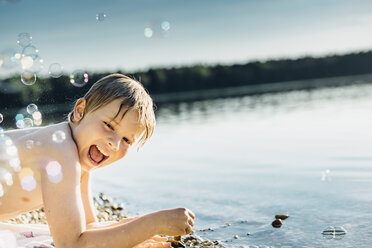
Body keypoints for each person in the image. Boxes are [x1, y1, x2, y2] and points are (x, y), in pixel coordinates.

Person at [0, 74, 195, 247]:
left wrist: (134, 234)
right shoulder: (60, 151)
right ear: (80, 111)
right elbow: (70, 244)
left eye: (126, 140)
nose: (114, 144)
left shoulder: (78, 158)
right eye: (109, 125)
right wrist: (153, 224)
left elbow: (87, 226)